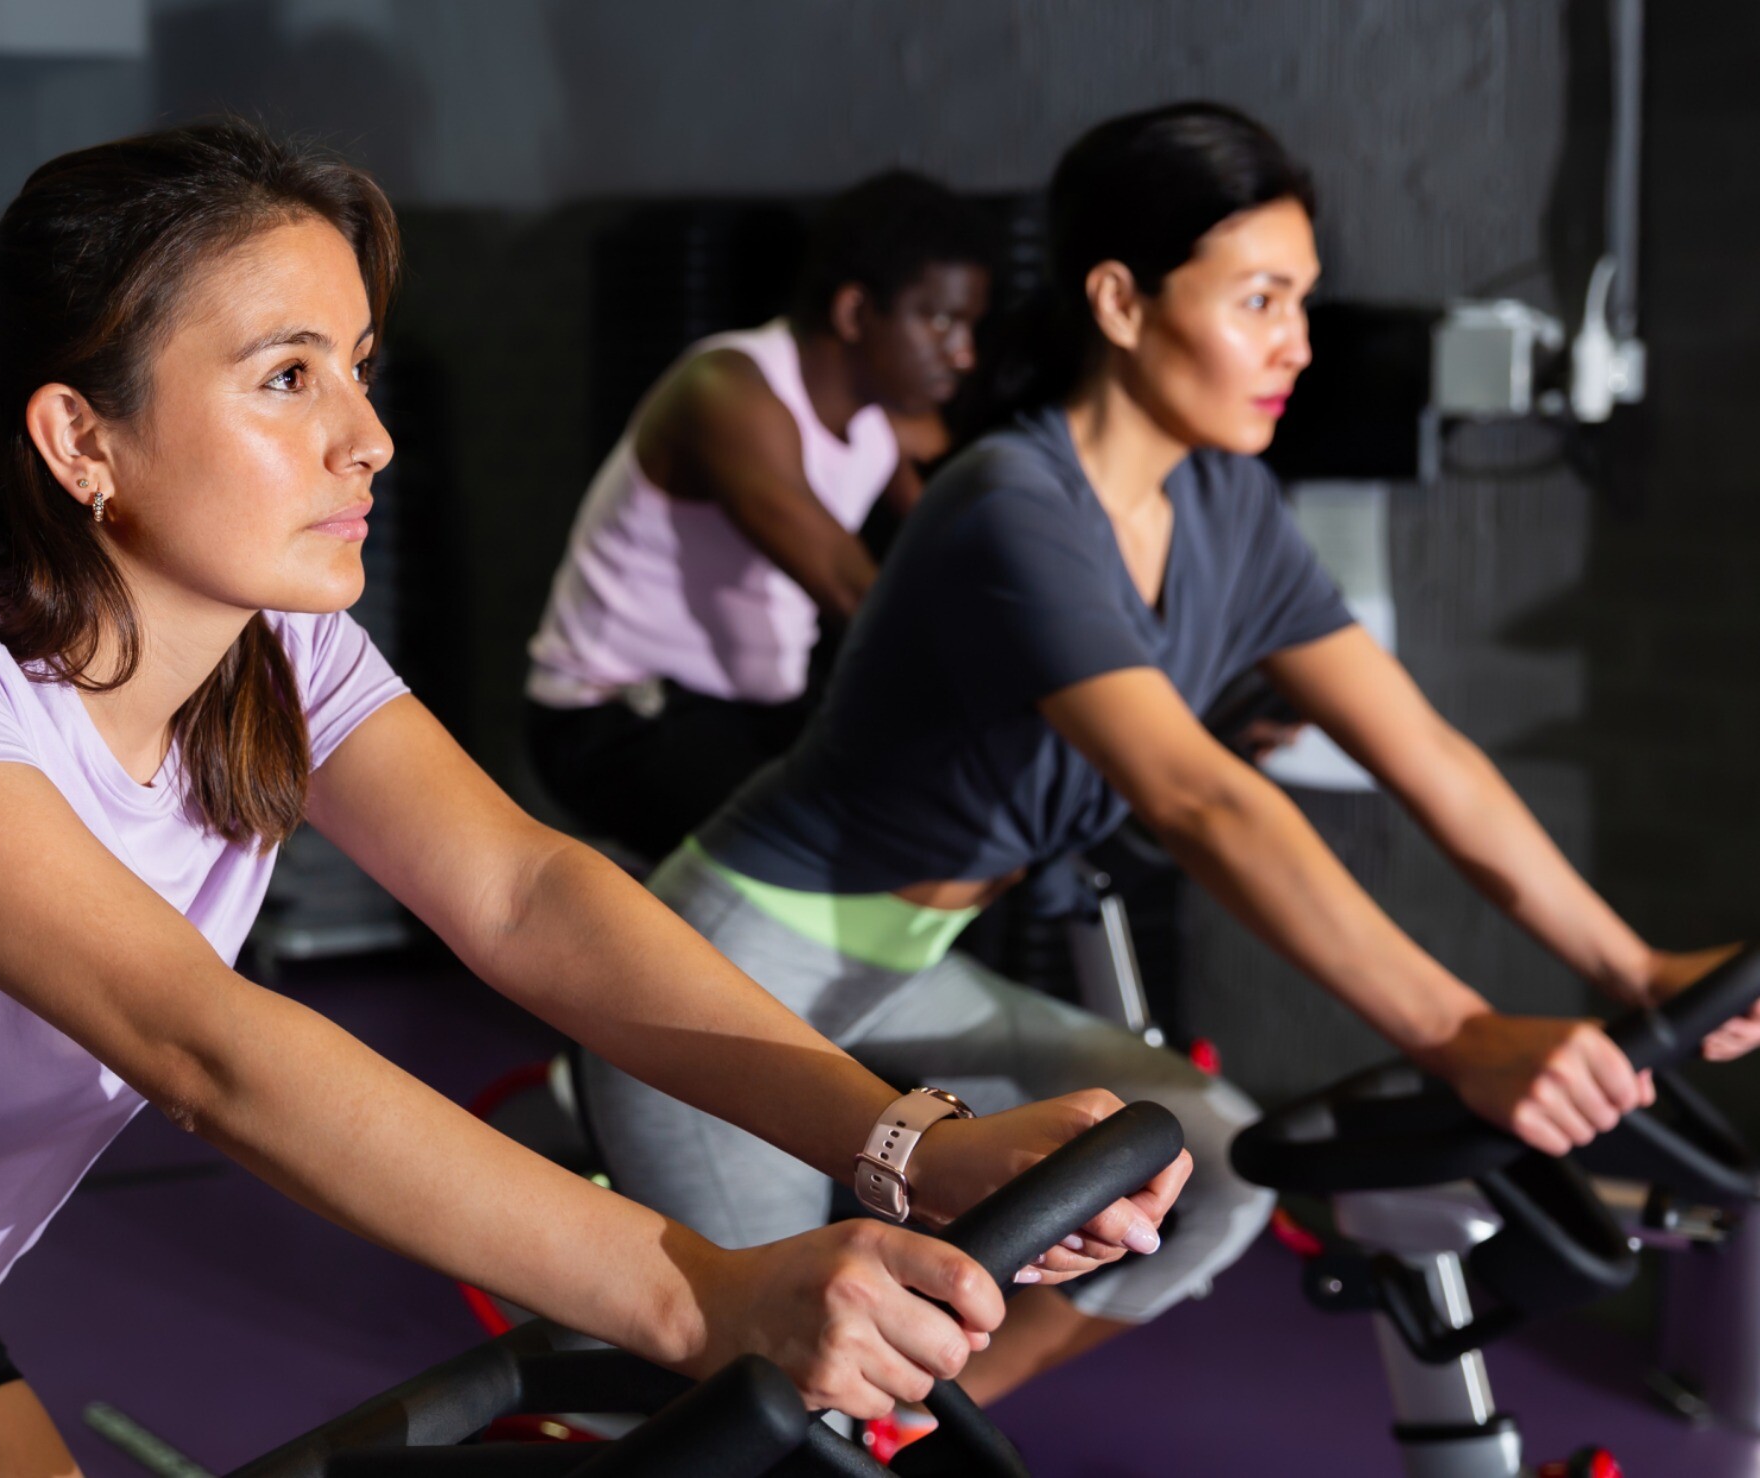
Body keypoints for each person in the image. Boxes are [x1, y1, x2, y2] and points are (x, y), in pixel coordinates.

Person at [0, 121, 1187, 1478]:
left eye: (359, 374)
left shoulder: (271, 651)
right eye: (286, 376)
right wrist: (703, 1295)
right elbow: (200, 1045)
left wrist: (900, 1140)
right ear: (81, 439)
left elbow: (528, 900)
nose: (367, 436)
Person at [578, 100, 1760, 1411]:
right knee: (773, 1393)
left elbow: (1428, 751)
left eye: (1303, 300)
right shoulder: (1011, 508)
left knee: (1201, 1162)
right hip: (724, 974)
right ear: (1122, 303)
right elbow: (1200, 799)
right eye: (1259, 299)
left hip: (897, 976)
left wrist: (1632, 963)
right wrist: (1459, 1031)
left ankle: (906, 1429)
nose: (1296, 344)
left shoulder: (1226, 506)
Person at [523, 172, 993, 862]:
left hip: (750, 714)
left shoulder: (891, 418)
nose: (964, 354)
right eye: (941, 321)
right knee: (827, 848)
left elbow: (971, 537)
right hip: (616, 717)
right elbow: (850, 587)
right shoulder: (728, 391)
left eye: (971, 326)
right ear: (856, 312)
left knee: (932, 814)